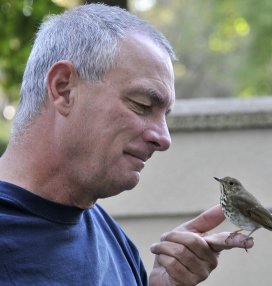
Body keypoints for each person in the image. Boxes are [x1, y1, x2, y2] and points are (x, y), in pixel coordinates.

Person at [0, 4, 252, 286]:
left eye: (164, 116)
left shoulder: (114, 243)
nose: (163, 139)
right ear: (63, 89)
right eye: (142, 105)